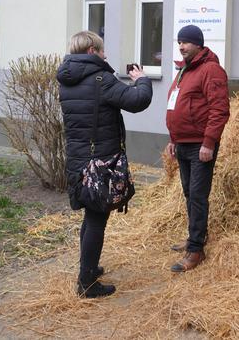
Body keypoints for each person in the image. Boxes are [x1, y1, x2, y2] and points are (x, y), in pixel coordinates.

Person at [57, 31, 153, 297]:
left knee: (91, 216)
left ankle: (88, 268)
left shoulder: (67, 79)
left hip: (79, 157)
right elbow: (137, 101)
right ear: (91, 51)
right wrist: (142, 80)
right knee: (97, 217)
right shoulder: (101, 79)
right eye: (102, 50)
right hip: (100, 161)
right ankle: (87, 283)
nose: (106, 55)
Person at [166, 25, 230, 272]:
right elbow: (176, 106)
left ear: (198, 44)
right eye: (179, 42)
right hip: (182, 144)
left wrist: (208, 142)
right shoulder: (184, 71)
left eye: (186, 42)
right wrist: (173, 139)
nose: (181, 46)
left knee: (198, 196)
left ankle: (196, 250)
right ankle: (194, 237)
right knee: (189, 194)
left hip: (199, 146)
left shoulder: (211, 70)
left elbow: (219, 110)